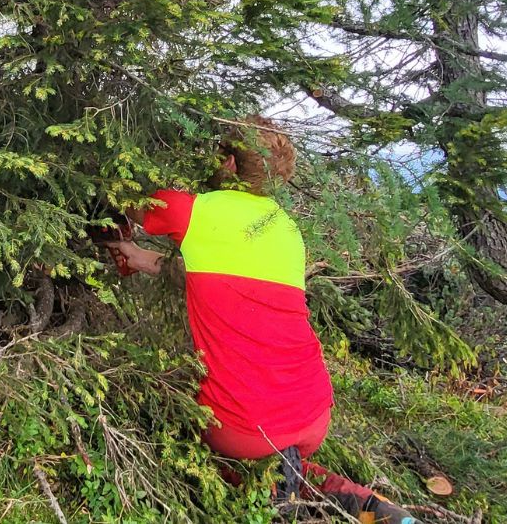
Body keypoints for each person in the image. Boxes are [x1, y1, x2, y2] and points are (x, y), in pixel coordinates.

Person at [102, 117, 418, 523]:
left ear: (231, 165)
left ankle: (264, 492)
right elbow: (215, 281)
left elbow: (122, 200)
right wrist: (138, 256)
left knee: (213, 446)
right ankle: (370, 508)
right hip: (313, 411)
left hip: (242, 423)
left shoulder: (193, 210)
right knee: (282, 463)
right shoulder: (286, 229)